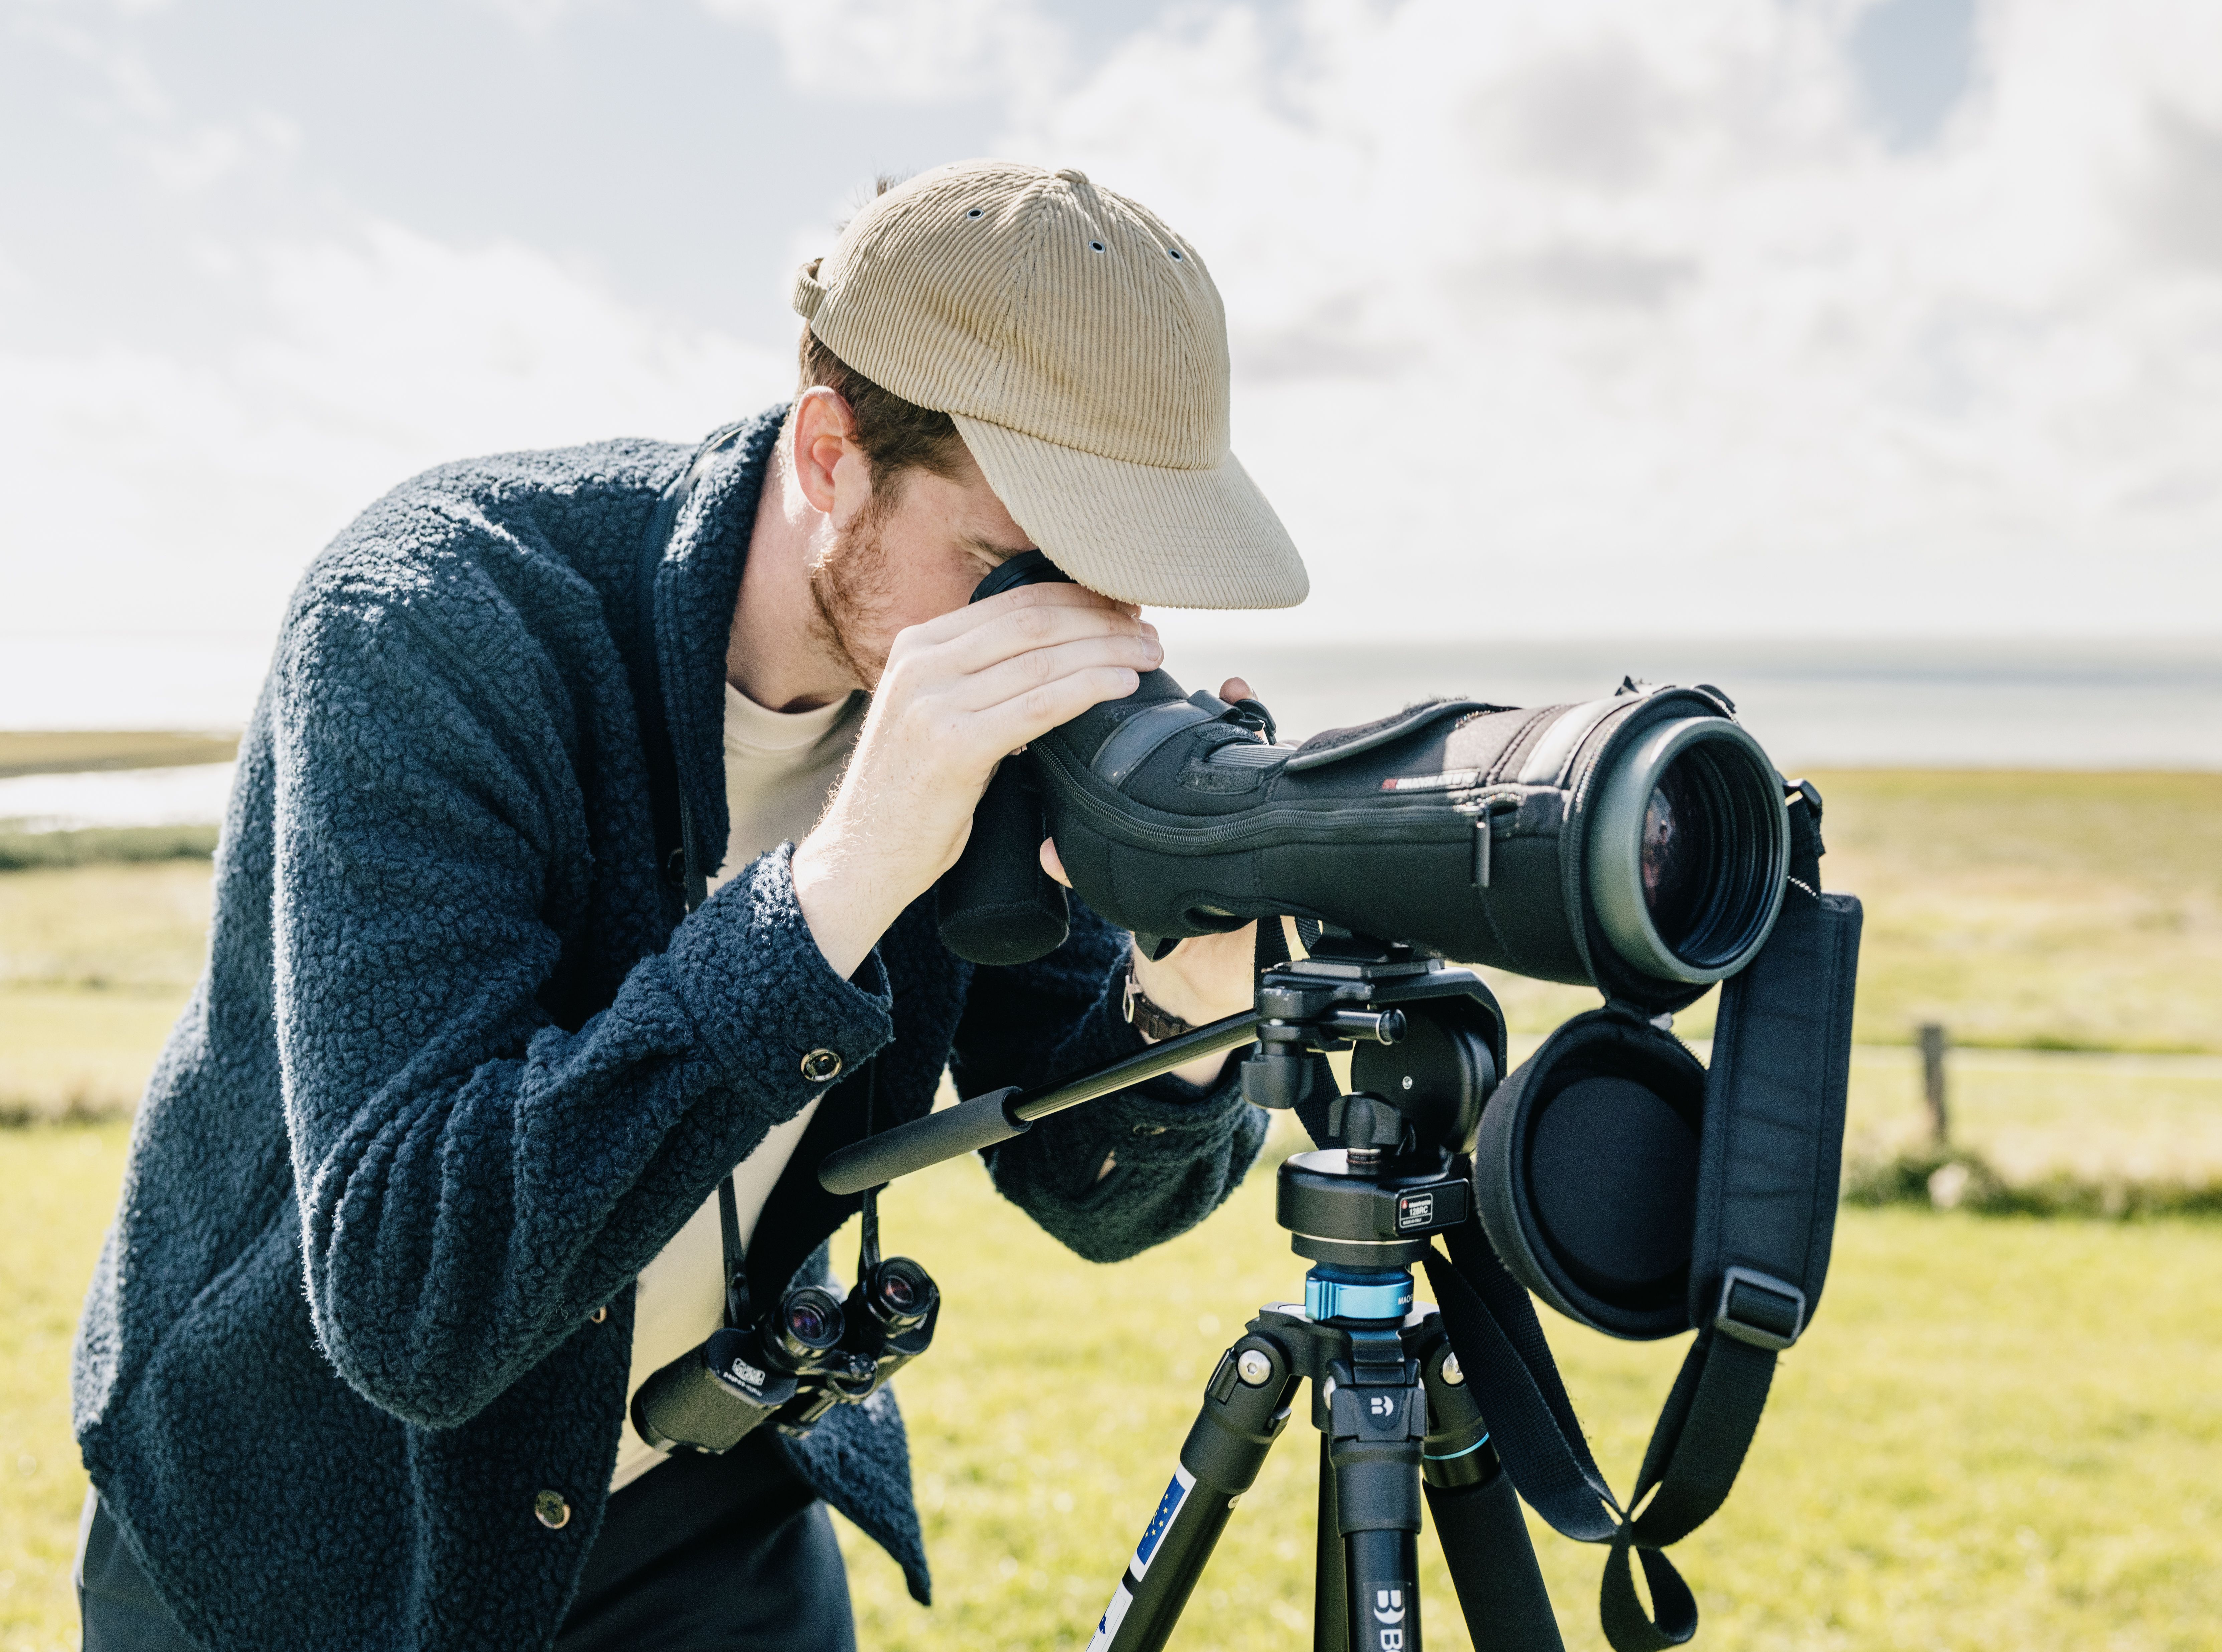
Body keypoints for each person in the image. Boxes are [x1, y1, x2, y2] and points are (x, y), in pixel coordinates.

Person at [70, 159, 1312, 1651]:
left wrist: (1183, 1007)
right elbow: (416, 1304)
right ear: (834, 451)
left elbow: (1097, 1192)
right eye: (1010, 562)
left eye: (1118, 578)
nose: (1066, 632)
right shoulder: (428, 626)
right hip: (306, 1532)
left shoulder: (1013, 705)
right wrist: (848, 876)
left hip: (705, 1474)